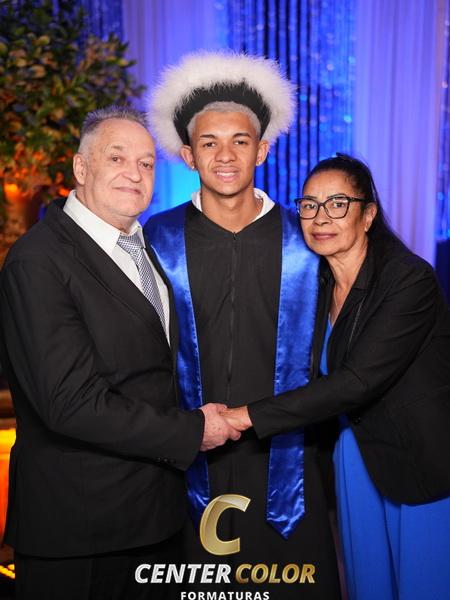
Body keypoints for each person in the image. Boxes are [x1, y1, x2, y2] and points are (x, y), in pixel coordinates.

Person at [0, 105, 240, 600]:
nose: (135, 173)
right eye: (117, 158)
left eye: (147, 163)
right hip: (80, 531)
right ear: (81, 167)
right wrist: (194, 430)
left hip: (153, 518)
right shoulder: (38, 261)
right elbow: (70, 404)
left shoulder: (140, 246)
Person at [145, 52, 341, 599]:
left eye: (240, 140)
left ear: (263, 148)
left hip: (289, 462)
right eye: (209, 143)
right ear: (188, 155)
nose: (226, 155)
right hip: (187, 459)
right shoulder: (156, 239)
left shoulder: (307, 240)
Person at [224, 154, 450, 600]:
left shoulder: (409, 280)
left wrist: (242, 417)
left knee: (423, 586)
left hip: (419, 460)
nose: (320, 217)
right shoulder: (317, 284)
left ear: (368, 215)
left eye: (337, 204)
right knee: (368, 586)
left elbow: (356, 382)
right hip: (355, 458)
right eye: (309, 205)